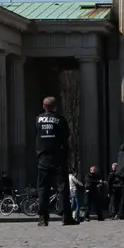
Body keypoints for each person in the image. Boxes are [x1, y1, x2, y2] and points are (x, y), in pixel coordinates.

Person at [35, 96, 76, 227]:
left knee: (43, 189)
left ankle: (43, 218)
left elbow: (36, 134)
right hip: (58, 158)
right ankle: (66, 217)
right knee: (63, 189)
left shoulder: (38, 120)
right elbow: (67, 137)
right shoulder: (60, 119)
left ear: (43, 106)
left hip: (42, 158)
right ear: (55, 107)